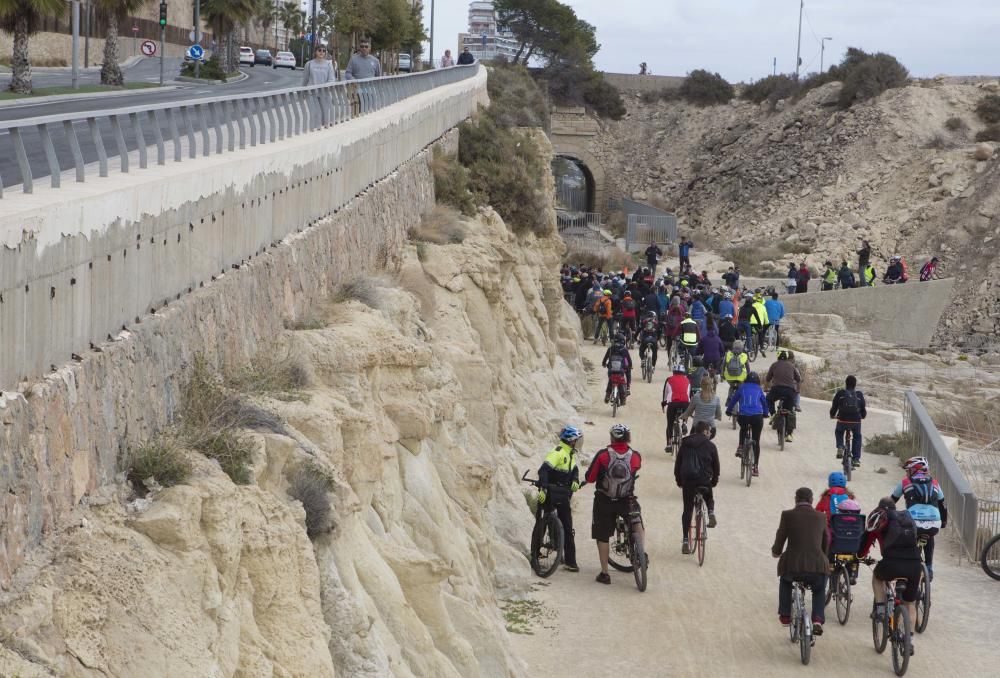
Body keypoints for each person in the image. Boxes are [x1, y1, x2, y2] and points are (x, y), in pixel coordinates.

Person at [859, 497, 921, 654]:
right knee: (910, 603)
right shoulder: (906, 519)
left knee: (878, 578)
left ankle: (880, 609)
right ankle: (908, 639)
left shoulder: (880, 520)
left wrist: (860, 556)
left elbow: (865, 544)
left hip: (891, 563)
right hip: (914, 565)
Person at [584, 424, 644, 585]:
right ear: (628, 437)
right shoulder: (635, 456)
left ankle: (605, 573)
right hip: (626, 499)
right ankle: (640, 553)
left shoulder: (603, 455)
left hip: (605, 500)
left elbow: (590, 478)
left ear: (612, 437)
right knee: (637, 520)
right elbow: (635, 469)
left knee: (602, 535)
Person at [772, 487, 829, 637]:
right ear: (811, 500)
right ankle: (817, 619)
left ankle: (785, 615)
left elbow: (781, 536)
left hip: (792, 566)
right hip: (817, 566)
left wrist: (776, 552)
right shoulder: (821, 517)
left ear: (796, 499)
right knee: (819, 589)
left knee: (785, 581)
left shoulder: (787, 515)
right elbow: (826, 541)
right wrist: (824, 556)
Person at [892, 457, 947, 580]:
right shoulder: (935, 483)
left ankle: (904, 566)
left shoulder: (905, 482)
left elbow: (891, 502)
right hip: (934, 522)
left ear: (914, 470)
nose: (906, 473)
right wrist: (943, 522)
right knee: (929, 536)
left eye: (908, 470)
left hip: (912, 523)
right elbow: (942, 504)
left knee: (905, 536)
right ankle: (929, 568)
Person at [536, 426, 583, 572]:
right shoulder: (557, 452)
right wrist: (543, 488)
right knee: (543, 522)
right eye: (576, 440)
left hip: (563, 493)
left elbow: (574, 469)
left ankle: (570, 561)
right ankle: (535, 554)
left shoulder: (569, 454)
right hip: (550, 492)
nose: (578, 443)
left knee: (568, 527)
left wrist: (575, 479)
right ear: (570, 440)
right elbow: (543, 470)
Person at [676, 420, 721, 553]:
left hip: (688, 480)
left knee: (687, 510)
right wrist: (714, 480)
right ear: (706, 431)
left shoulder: (685, 443)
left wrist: (679, 480)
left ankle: (685, 540)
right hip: (703, 479)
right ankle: (711, 512)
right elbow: (716, 466)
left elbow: (678, 464)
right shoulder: (711, 445)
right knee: (708, 495)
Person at [726, 372, 768, 477]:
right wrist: (766, 413)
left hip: (744, 416)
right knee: (756, 441)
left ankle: (740, 446)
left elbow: (733, 400)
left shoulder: (742, 387)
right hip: (757, 417)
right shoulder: (759, 389)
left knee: (743, 429)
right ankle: (755, 468)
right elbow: (764, 402)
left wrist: (729, 410)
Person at [830, 375, 867, 468]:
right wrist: (862, 416)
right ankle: (856, 459)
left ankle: (840, 447)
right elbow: (863, 410)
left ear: (846, 384)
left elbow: (834, 407)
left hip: (842, 420)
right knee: (857, 437)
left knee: (838, 431)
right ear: (855, 385)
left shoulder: (841, 393)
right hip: (856, 422)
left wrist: (832, 415)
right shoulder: (859, 395)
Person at [765, 350, 801, 441]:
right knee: (790, 411)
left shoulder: (774, 365)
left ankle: (773, 414)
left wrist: (766, 389)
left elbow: (767, 379)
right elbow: (798, 379)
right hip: (789, 391)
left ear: (778, 357)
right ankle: (789, 434)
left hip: (776, 389)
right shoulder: (792, 366)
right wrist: (797, 390)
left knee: (769, 399)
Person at [681, 376, 722, 440]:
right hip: (711, 429)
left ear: (701, 385)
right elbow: (718, 414)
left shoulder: (696, 397)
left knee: (692, 444)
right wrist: (716, 417)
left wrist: (684, 415)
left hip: (697, 429)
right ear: (712, 385)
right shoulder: (716, 398)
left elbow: (689, 411)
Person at [661, 364, 691, 449]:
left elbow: (665, 393)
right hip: (685, 403)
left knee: (669, 424)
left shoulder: (669, 379)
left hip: (673, 403)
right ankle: (684, 423)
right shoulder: (687, 380)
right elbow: (688, 394)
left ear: (673, 372)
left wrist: (663, 404)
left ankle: (669, 444)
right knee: (685, 411)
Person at [602, 334, 632, 403]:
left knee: (611, 379)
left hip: (611, 370)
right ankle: (624, 396)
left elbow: (605, 359)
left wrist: (604, 364)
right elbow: (629, 360)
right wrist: (630, 366)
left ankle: (607, 395)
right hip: (621, 371)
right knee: (621, 380)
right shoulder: (624, 349)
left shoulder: (610, 349)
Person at [751, 292, 770, 356]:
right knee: (761, 335)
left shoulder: (752, 305)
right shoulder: (763, 307)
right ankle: (761, 348)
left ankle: (750, 348)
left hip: (751, 323)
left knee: (750, 334)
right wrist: (767, 323)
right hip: (759, 324)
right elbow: (766, 317)